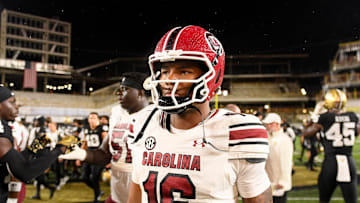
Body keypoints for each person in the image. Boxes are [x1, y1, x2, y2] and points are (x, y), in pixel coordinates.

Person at [126, 25, 272, 202]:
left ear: (212, 76)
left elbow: (258, 198)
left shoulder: (236, 133)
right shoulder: (142, 124)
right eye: (165, 71)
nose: (168, 80)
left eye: (184, 71)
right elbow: (136, 193)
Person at [60, 72, 150, 203]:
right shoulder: (117, 113)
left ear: (140, 93)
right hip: (117, 193)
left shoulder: (156, 116)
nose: (119, 93)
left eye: (125, 89)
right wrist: (81, 154)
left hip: (143, 193)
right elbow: (103, 153)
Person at [0, 86, 68, 202]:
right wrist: (58, 150)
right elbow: (24, 172)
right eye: (12, 102)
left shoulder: (4, 125)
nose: (17, 106)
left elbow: (11, 159)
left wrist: (33, 148)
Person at [302, 89, 359, 203]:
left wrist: (313, 116)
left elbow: (306, 133)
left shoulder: (324, 118)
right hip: (348, 161)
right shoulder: (352, 116)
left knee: (324, 199)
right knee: (352, 200)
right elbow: (356, 132)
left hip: (331, 162)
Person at [76, 112, 108, 202]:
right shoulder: (86, 129)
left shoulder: (102, 129)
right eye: (91, 118)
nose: (92, 120)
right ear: (88, 119)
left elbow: (106, 143)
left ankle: (96, 198)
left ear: (98, 120)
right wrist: (80, 156)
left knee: (94, 177)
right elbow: (85, 143)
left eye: (94, 118)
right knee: (84, 177)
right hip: (89, 155)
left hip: (98, 155)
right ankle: (98, 191)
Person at [263, 113, 293, 203]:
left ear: (275, 124)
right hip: (269, 182)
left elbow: (286, 163)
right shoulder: (269, 138)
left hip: (278, 184)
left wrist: (282, 181)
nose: (266, 126)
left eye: (268, 124)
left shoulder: (284, 140)